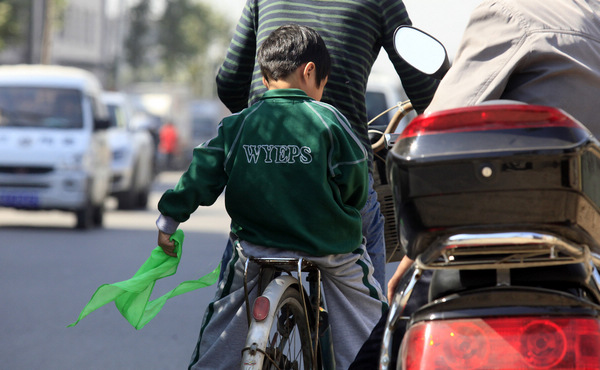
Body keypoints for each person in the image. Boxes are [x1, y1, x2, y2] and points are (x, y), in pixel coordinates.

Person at [353, 1, 600, 368]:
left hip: (492, 243)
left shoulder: (510, 14)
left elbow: (440, 127)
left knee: (388, 337)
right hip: (589, 248)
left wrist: (413, 251)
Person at [156, 24, 386, 369]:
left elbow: (200, 174)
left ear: (265, 79)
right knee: (370, 319)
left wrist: (169, 220)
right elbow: (354, 178)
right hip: (329, 250)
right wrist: (347, 210)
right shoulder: (329, 121)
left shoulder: (239, 125)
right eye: (322, 84)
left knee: (224, 322)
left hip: (254, 251)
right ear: (311, 73)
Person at [215, 0, 440, 291]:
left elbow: (230, 83)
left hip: (262, 177)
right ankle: (369, 329)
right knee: (367, 229)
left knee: (234, 292)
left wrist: (260, 122)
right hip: (337, 182)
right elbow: (423, 88)